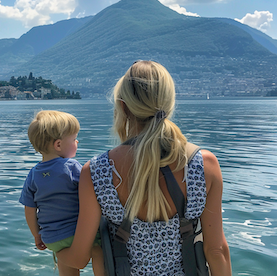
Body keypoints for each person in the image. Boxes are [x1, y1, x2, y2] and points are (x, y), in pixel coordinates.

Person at [57, 60, 232, 276]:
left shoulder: (96, 172)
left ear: (123, 106)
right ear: (168, 104)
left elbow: (80, 258)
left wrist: (57, 250)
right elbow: (217, 251)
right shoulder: (204, 165)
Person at [19, 110, 104, 276]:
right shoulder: (71, 167)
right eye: (73, 139)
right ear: (58, 145)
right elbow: (91, 193)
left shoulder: (33, 175)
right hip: (79, 233)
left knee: (66, 263)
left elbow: (29, 209)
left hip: (52, 238)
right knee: (99, 250)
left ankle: (62, 257)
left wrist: (37, 235)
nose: (77, 141)